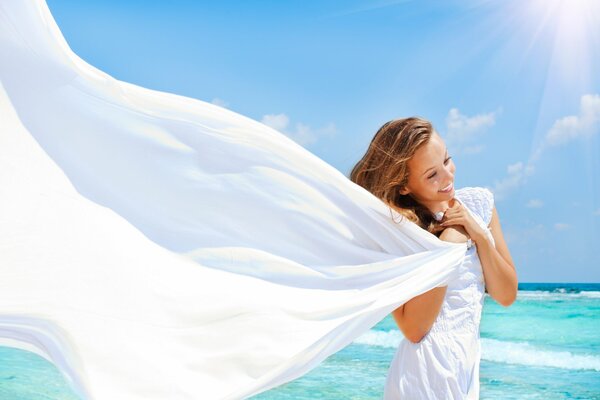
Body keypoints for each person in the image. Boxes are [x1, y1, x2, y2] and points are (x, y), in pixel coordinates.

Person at [350, 117, 518, 399]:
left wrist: (477, 233)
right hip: (423, 376)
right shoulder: (399, 232)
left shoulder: (479, 205)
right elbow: (414, 328)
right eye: (432, 175)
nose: (448, 176)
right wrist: (451, 242)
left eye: (447, 160)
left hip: (465, 366)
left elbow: (506, 294)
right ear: (404, 186)